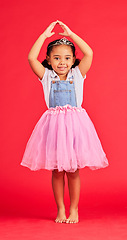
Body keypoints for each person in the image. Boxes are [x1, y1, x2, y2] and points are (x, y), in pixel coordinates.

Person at [20, 20, 109, 224]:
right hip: (55, 129)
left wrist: (71, 34)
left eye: (67, 58)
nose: (62, 62)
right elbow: (30, 57)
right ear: (49, 60)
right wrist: (44, 35)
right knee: (57, 171)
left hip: (76, 127)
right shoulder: (47, 77)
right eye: (57, 58)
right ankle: (60, 209)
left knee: (73, 170)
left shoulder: (78, 74)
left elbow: (90, 53)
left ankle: (74, 209)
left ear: (73, 60)